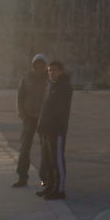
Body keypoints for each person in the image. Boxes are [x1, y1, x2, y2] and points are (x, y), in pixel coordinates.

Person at [37, 60, 73, 200]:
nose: (52, 73)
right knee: (48, 160)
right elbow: (44, 107)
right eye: (50, 70)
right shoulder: (49, 85)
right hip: (45, 129)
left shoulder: (64, 87)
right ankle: (50, 186)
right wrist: (41, 125)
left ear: (61, 71)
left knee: (57, 160)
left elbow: (60, 110)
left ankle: (60, 189)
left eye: (55, 70)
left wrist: (51, 125)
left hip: (57, 129)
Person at [13, 54, 49, 188]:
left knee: (45, 149)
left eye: (41, 64)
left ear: (45, 65)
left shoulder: (49, 79)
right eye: (36, 64)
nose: (39, 66)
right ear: (33, 64)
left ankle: (45, 178)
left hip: (44, 118)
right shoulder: (26, 78)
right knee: (24, 148)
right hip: (28, 117)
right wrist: (21, 112)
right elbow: (20, 95)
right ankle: (22, 177)